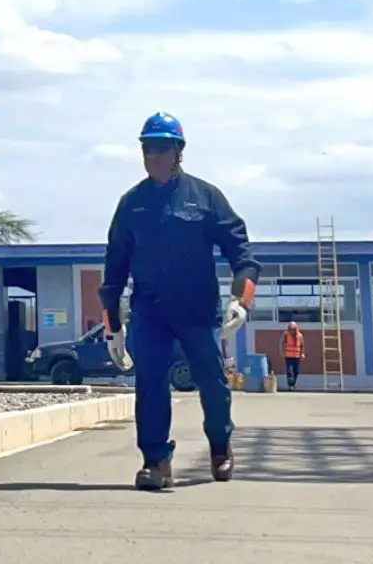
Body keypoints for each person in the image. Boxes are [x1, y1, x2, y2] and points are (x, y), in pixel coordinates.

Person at [98, 112, 259, 493]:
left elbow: (242, 253)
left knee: (213, 383)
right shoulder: (131, 204)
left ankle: (219, 446)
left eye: (161, 147)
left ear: (178, 151)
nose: (152, 155)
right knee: (150, 384)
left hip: (198, 311)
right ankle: (156, 461)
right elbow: (114, 268)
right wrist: (112, 327)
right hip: (150, 312)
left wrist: (242, 299)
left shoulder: (206, 197)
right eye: (147, 148)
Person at [281, 320, 305, 391]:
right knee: (290, 371)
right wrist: (282, 353)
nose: (292, 331)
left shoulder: (300, 335)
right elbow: (281, 344)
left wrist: (302, 353)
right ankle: (290, 385)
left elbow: (302, 345)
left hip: (297, 356)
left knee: (296, 371)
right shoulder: (285, 334)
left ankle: (293, 384)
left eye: (294, 329)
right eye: (291, 329)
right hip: (288, 357)